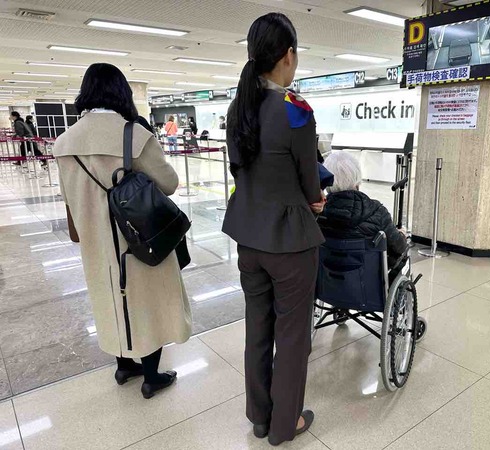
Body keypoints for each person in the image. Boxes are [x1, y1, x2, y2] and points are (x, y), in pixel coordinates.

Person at [53, 63, 192, 399]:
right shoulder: (135, 136)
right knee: (148, 303)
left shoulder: (64, 143)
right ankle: (151, 376)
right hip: (138, 238)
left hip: (95, 243)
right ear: (121, 92)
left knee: (111, 300)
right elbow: (169, 183)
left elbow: (69, 198)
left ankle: (124, 366)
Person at [222, 12, 325, 446]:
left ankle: (260, 417)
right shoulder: (296, 111)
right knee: (293, 335)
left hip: (248, 238)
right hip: (290, 243)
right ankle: (285, 425)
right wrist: (315, 199)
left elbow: (238, 169)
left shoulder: (237, 109)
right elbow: (310, 182)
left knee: (258, 328)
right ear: (288, 55)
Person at [319, 152, 409, 282]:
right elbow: (399, 247)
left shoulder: (318, 214)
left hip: (327, 281)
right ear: (357, 180)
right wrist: (402, 235)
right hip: (368, 283)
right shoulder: (377, 211)